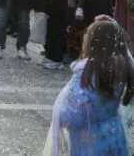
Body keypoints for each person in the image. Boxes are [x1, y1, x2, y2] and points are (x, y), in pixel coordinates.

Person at [44, 20, 133, 155]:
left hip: (89, 144)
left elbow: (72, 115)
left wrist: (60, 113)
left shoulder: (86, 74)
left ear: (93, 44)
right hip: (114, 136)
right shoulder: (123, 68)